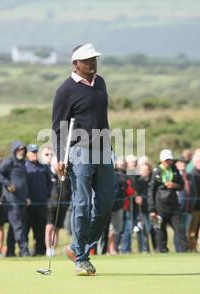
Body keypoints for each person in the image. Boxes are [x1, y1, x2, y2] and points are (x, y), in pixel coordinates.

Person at [52, 43, 115, 276]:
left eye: (95, 59)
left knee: (107, 201)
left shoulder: (100, 82)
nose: (92, 63)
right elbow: (58, 128)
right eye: (87, 60)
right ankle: (81, 259)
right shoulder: (65, 90)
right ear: (75, 64)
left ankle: (78, 247)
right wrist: (60, 157)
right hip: (80, 151)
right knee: (82, 204)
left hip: (104, 150)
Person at [0, 141, 30, 257]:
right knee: (18, 225)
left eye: (23, 149)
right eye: (19, 149)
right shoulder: (10, 161)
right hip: (11, 200)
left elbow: (23, 182)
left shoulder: (22, 163)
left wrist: (27, 196)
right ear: (14, 150)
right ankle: (24, 251)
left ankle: (10, 251)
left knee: (15, 226)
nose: (21, 151)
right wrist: (8, 184)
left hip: (22, 199)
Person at [148, 149, 187, 253]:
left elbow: (182, 185)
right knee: (160, 229)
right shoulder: (156, 171)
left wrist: (175, 185)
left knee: (180, 228)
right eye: (166, 160)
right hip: (160, 205)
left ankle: (184, 250)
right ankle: (162, 250)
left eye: (170, 160)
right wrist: (152, 209)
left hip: (173, 204)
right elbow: (151, 191)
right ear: (161, 160)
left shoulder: (174, 170)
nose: (168, 162)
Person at [25, 144, 52, 256]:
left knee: (40, 229)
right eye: (32, 152)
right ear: (27, 154)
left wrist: (47, 195)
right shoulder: (24, 167)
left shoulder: (43, 167)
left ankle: (39, 251)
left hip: (41, 203)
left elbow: (49, 183)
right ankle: (24, 251)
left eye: (36, 152)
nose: (34, 154)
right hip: (28, 204)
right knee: (25, 228)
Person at [45, 155, 72, 257]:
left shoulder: (65, 175)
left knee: (57, 228)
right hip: (51, 204)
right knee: (50, 226)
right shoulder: (48, 173)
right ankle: (48, 249)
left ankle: (53, 250)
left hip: (63, 204)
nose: (61, 166)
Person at [134, 162, 154, 253]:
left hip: (152, 209)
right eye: (143, 169)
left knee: (151, 230)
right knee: (143, 230)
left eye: (146, 169)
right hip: (141, 209)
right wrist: (137, 198)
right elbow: (135, 194)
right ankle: (144, 249)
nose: (145, 171)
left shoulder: (152, 181)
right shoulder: (137, 181)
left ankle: (154, 249)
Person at [175, 156, 193, 251]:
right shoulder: (174, 175)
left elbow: (193, 191)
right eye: (181, 162)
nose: (183, 164)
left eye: (185, 163)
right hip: (178, 208)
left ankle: (183, 249)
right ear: (177, 164)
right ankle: (179, 250)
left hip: (188, 208)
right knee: (178, 231)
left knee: (184, 230)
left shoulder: (189, 176)